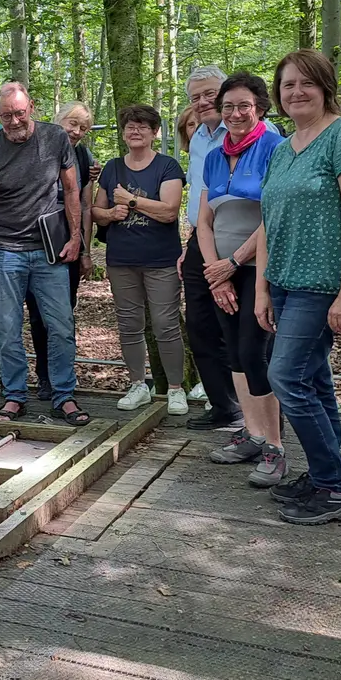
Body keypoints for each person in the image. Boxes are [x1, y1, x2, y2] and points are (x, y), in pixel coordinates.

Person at [255, 49, 341, 525]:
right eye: (287, 85)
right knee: (312, 377)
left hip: (324, 282)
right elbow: (267, 222)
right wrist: (263, 289)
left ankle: (335, 487)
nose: (296, 92)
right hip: (285, 281)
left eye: (307, 83)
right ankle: (327, 474)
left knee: (285, 376)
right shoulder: (284, 148)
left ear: (326, 87)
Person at [0, 82, 90, 425]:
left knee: (61, 326)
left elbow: (71, 190)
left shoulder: (55, 138)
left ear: (31, 107)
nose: (14, 121)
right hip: (5, 251)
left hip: (49, 252)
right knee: (6, 328)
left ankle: (64, 395)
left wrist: (76, 238)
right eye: (6, 116)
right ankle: (14, 396)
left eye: (19, 113)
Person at [197, 72, 287, 486]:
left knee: (255, 352)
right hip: (220, 270)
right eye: (228, 106)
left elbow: (273, 217)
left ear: (261, 108)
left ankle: (275, 446)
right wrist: (216, 272)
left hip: (257, 269)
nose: (235, 113)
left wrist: (233, 263)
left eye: (243, 106)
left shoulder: (275, 147)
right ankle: (251, 436)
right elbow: (204, 218)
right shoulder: (216, 155)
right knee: (233, 352)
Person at [92, 104, 187, 414]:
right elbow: (97, 212)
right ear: (123, 132)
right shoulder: (112, 168)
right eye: (130, 126)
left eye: (142, 127)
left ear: (154, 132)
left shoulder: (167, 166)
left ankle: (175, 389)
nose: (135, 131)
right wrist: (109, 212)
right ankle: (137, 385)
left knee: (165, 324)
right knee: (129, 324)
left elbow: (169, 211)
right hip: (121, 260)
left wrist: (130, 200)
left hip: (161, 260)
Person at [180, 66, 244, 430]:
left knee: (235, 326)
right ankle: (223, 404)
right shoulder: (200, 138)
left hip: (237, 241)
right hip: (198, 239)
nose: (204, 102)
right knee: (200, 325)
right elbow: (197, 194)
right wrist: (188, 243)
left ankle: (253, 411)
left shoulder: (248, 132)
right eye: (196, 97)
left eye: (210, 94)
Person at [27, 100, 98, 399]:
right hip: (31, 243)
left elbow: (85, 204)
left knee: (63, 315)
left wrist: (84, 249)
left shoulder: (83, 155)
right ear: (59, 119)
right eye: (73, 123)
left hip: (68, 244)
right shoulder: (35, 146)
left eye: (83, 127)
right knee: (37, 314)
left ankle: (62, 379)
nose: (77, 131)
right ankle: (43, 376)